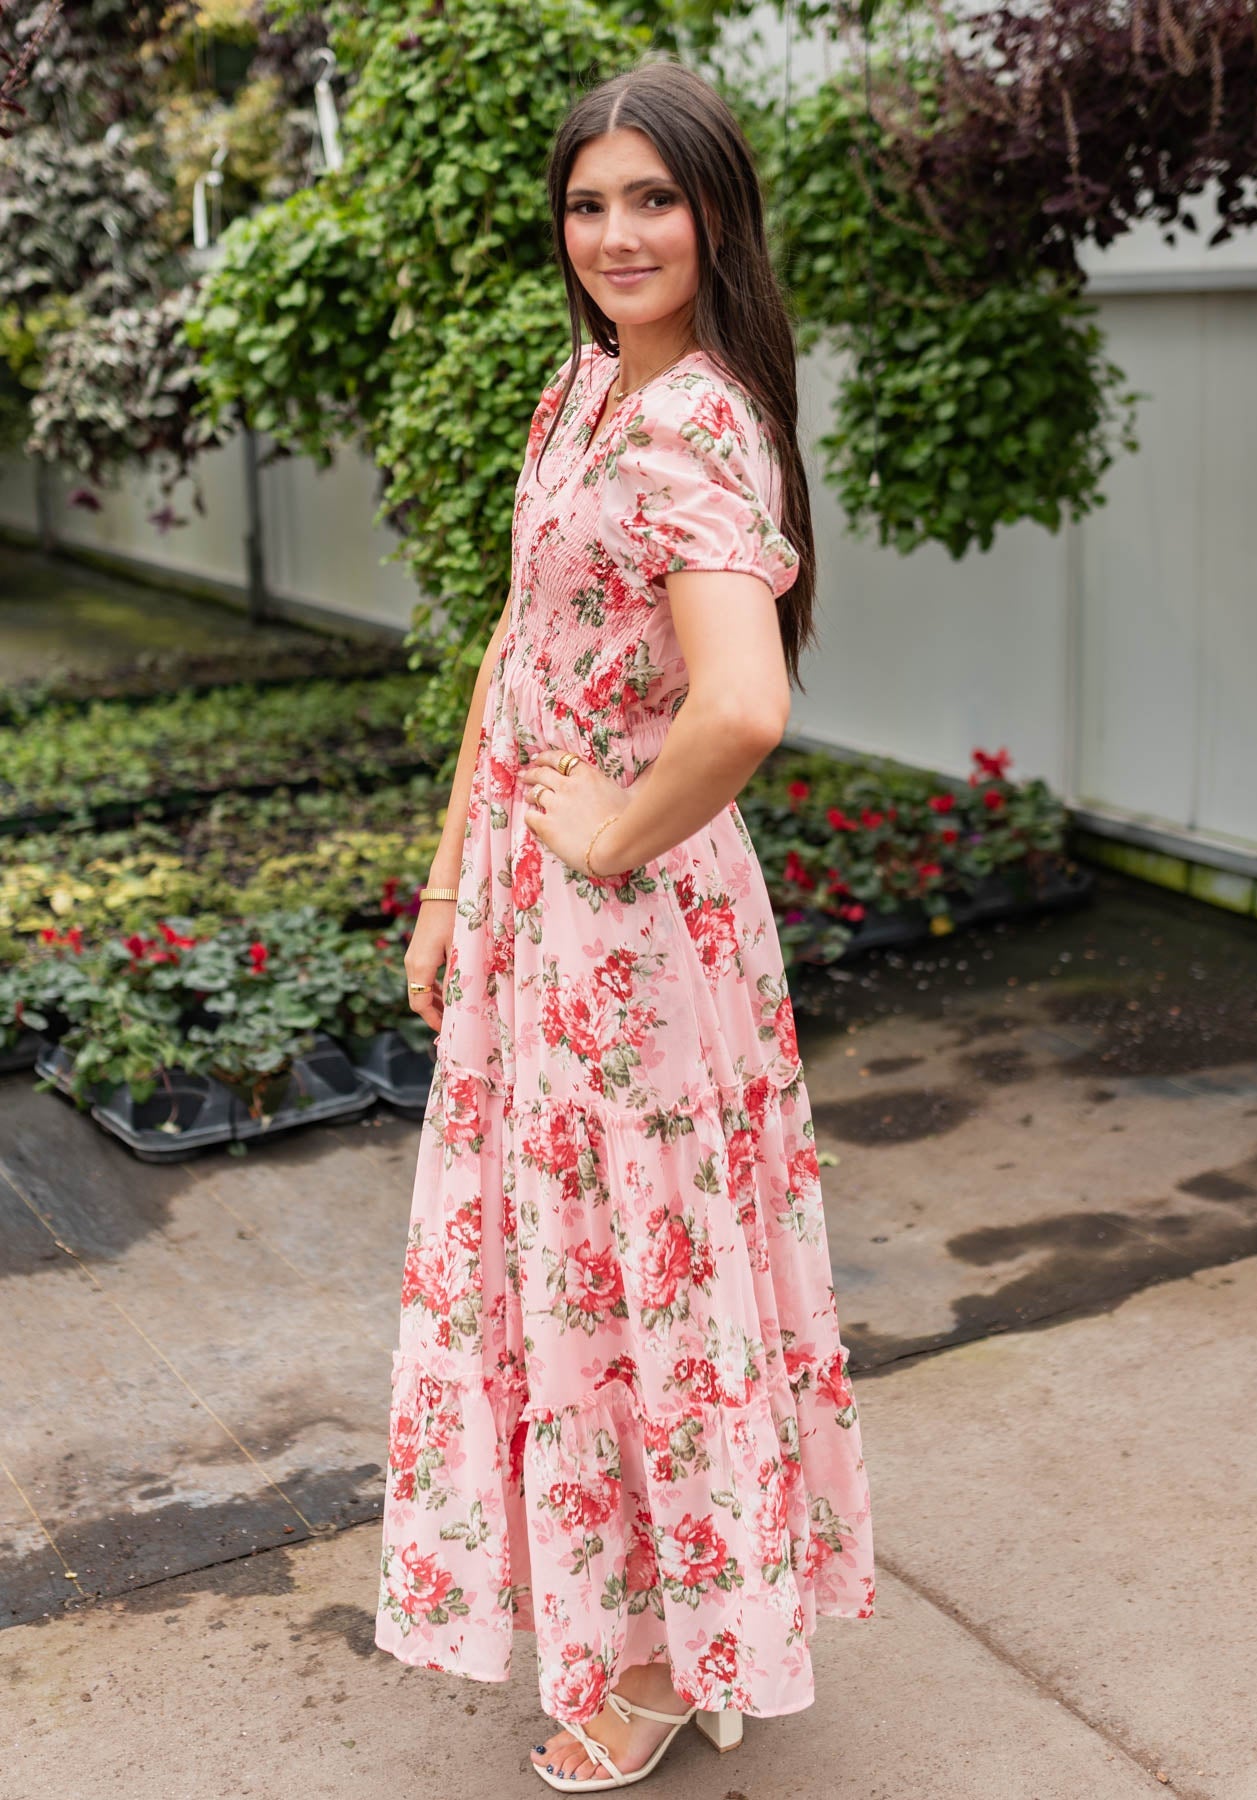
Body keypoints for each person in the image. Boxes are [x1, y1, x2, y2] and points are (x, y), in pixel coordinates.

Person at [375, 54, 875, 1793]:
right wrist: (451, 881)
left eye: (651, 197)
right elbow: (512, 658)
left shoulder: (689, 426)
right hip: (540, 913)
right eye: (588, 203)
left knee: (640, 1276)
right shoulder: (579, 392)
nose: (615, 233)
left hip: (629, 930)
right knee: (587, 1272)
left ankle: (667, 1655)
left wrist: (599, 830)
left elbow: (739, 708)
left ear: (715, 209)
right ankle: (683, 1614)